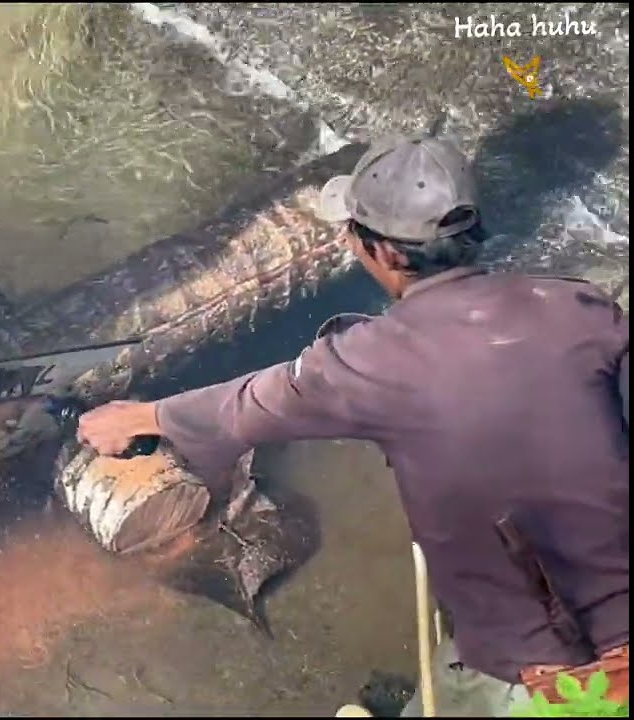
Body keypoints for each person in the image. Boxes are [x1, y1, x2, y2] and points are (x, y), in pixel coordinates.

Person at [78, 135, 629, 715]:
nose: (349, 242)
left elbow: (249, 404)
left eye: (353, 234)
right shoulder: (581, 306)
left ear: (387, 254)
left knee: (467, 690)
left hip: (545, 670)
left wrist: (139, 418)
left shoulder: (373, 358)